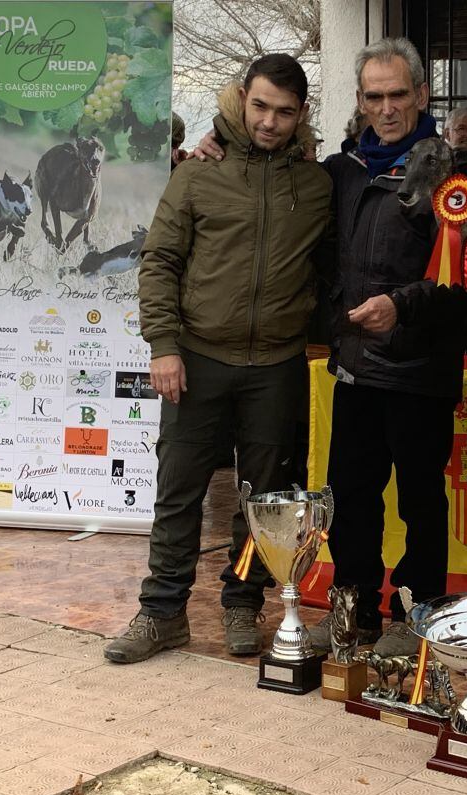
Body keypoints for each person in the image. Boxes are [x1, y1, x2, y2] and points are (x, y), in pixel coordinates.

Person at [195, 38, 467, 658]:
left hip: (420, 367)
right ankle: (353, 609)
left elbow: (463, 278)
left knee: (422, 501)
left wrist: (401, 306)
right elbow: (278, 192)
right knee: (351, 499)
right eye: (374, 96)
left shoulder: (455, 179)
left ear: (422, 96)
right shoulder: (338, 173)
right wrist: (213, 146)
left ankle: (419, 613)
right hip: (352, 367)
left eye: (399, 94)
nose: (388, 107)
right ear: (360, 101)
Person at [103, 54, 333, 664]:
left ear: (300, 114)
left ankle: (242, 604)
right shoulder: (197, 173)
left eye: (285, 112)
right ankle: (161, 614)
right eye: (260, 106)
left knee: (265, 502)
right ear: (240, 98)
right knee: (178, 493)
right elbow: (159, 263)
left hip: (277, 366)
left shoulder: (315, 184)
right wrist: (164, 346)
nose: (269, 122)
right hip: (198, 359)